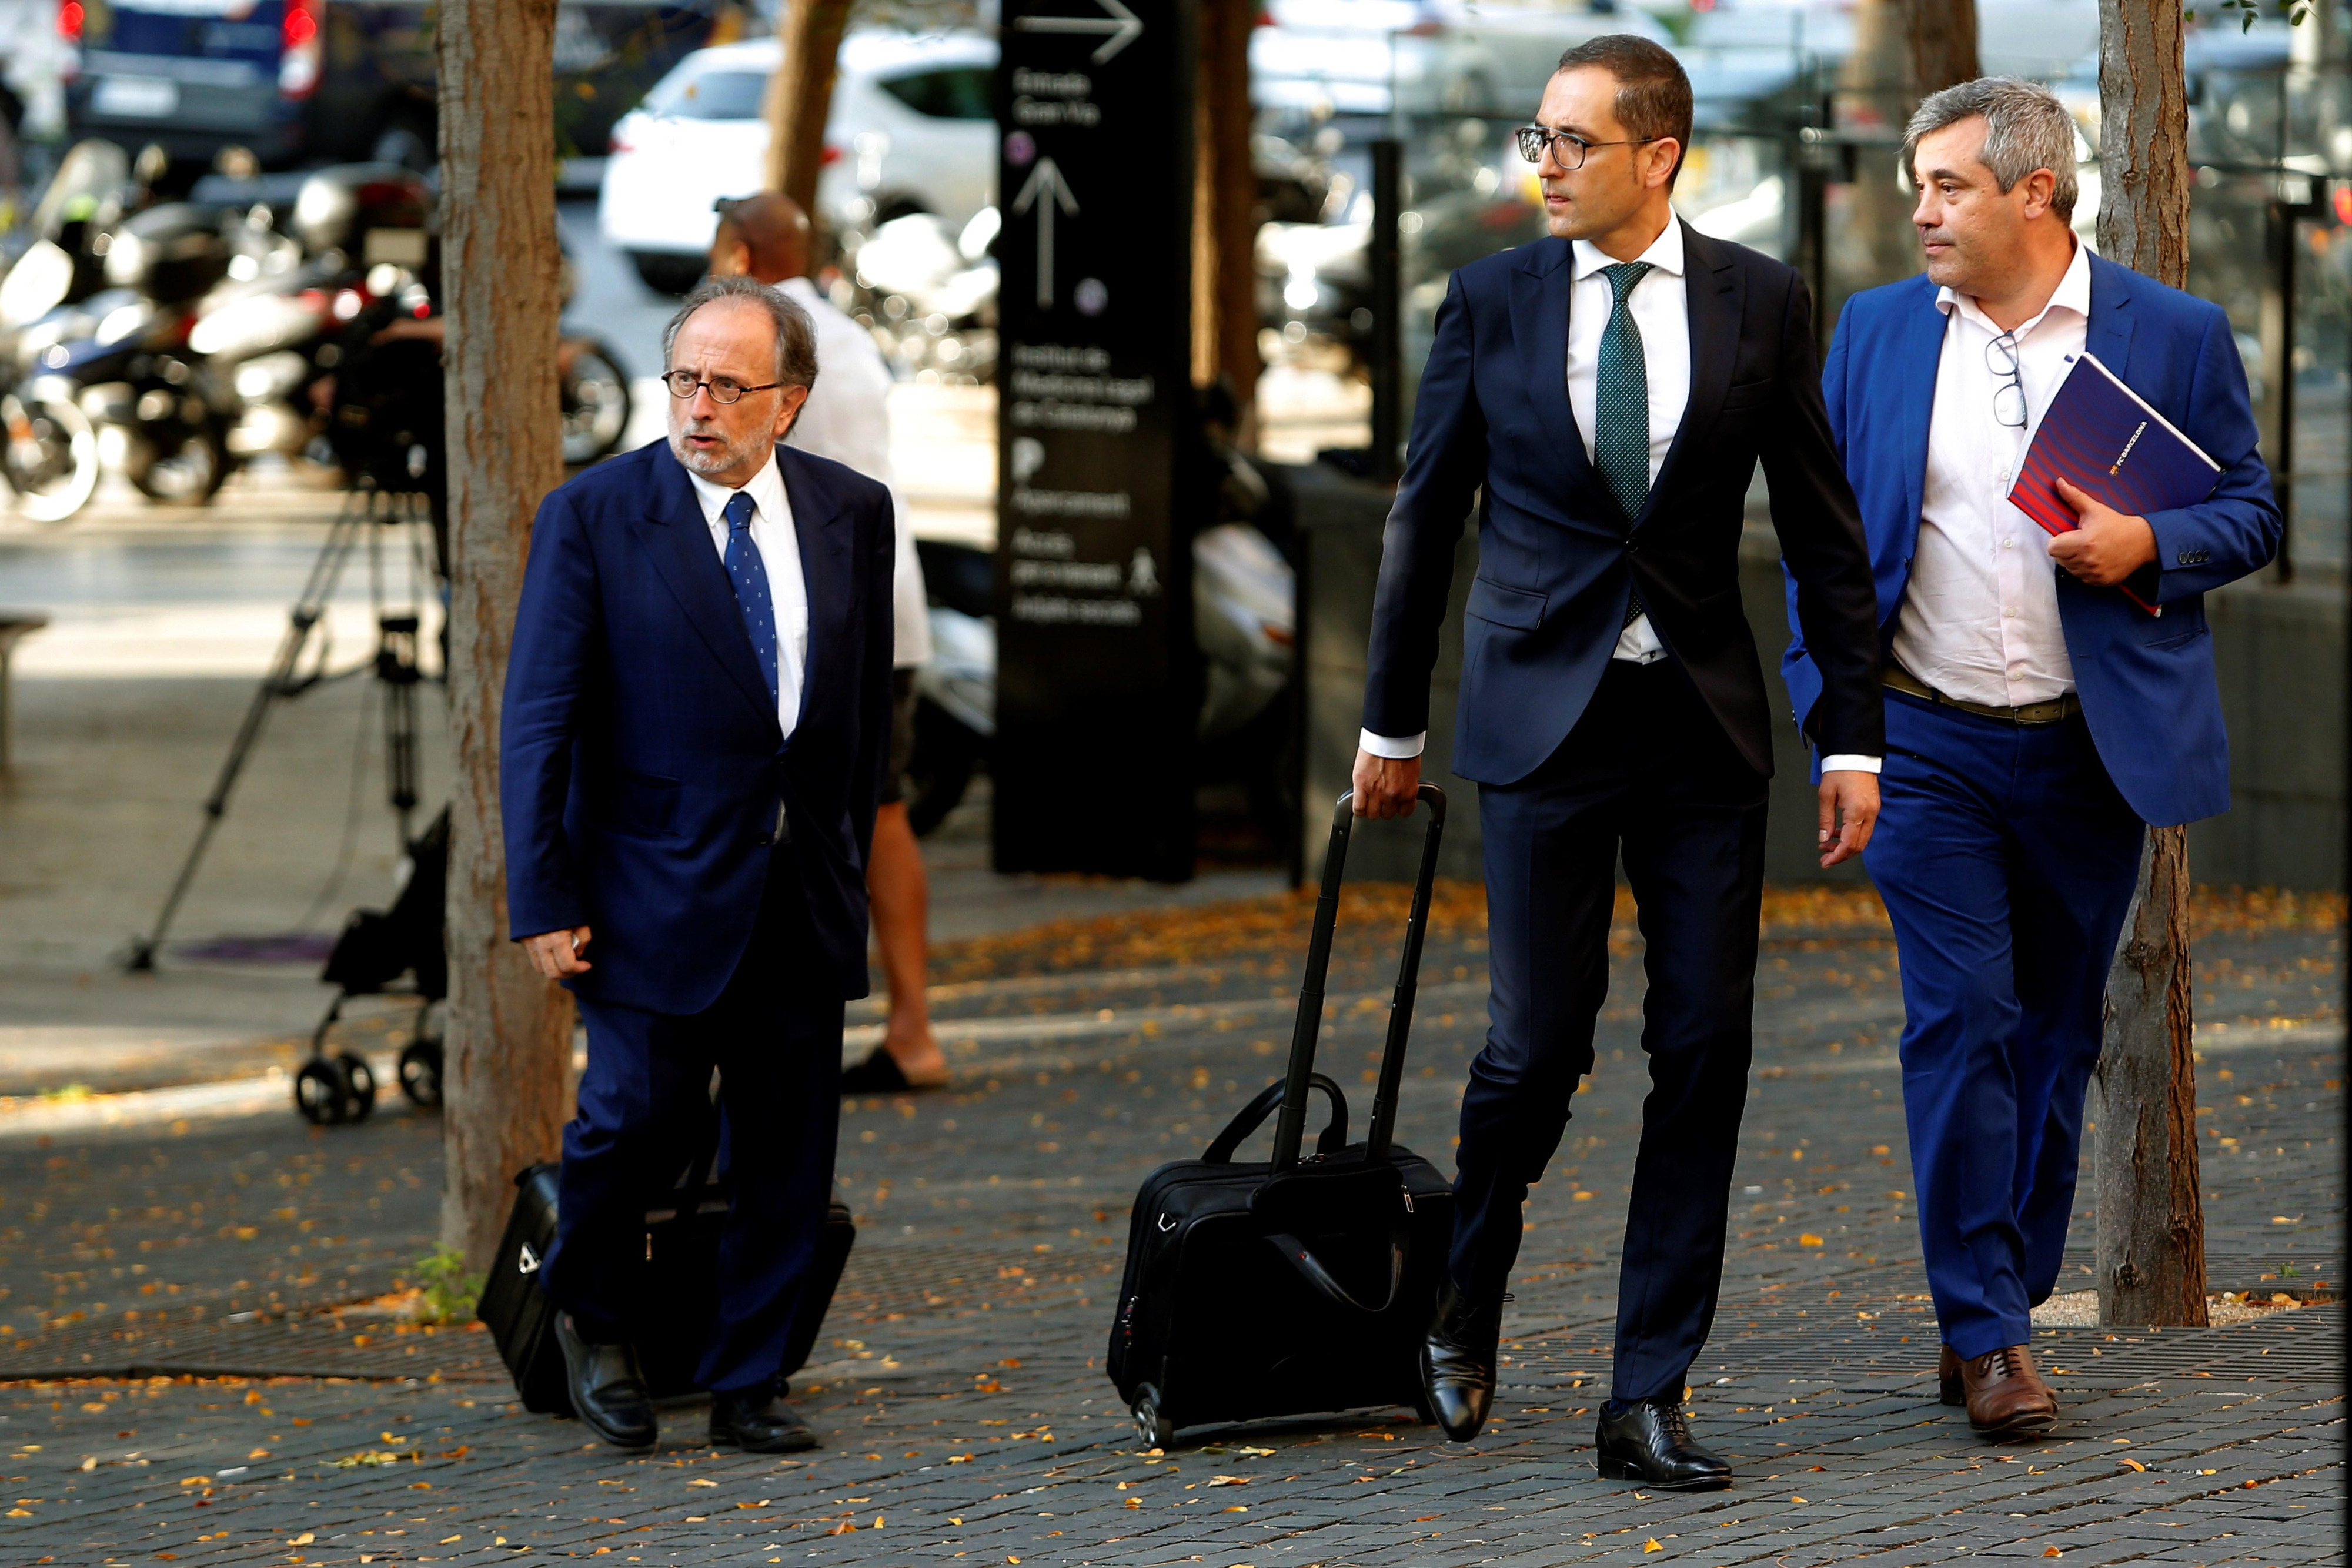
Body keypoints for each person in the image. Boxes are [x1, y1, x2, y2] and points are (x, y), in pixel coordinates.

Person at [1353, 35, 1884, 1489]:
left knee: (1702, 1048)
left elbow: (1825, 535)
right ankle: (1468, 1285)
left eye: (1571, 142)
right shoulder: (1489, 299)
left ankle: (1646, 1387)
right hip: (1538, 725)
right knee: (1535, 1048)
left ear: (1657, 155)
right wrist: (1388, 722)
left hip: (1700, 727)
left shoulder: (1761, 299)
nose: (1543, 165)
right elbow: (1420, 520)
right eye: (1537, 138)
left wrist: (1852, 735)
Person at [1783, 78, 2278, 1440]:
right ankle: (1991, 1332)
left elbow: (2249, 511)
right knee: (1959, 1019)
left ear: (2033, 193)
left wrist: (2148, 547)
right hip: (1920, 736)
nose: (1919, 211)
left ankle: (1999, 1285)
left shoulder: (2169, 335)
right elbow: (1825, 550)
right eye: (1914, 188)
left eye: (1945, 186)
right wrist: (1838, 726)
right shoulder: (1876, 333)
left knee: (2053, 1040)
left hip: (2086, 753)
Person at [501, 275, 896, 1453]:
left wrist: (843, 860)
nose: (699, 406)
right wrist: (544, 893)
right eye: (685, 378)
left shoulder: (852, 512)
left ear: (790, 400)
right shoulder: (596, 515)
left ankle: (749, 1376)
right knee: (633, 1116)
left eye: (729, 385)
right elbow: (539, 721)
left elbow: (859, 709)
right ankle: (591, 1313)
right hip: (641, 886)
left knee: (783, 1145)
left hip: (796, 889)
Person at [710, 192, 947, 1092]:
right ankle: (913, 1027)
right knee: (884, 816)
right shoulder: (843, 334)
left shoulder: (752, 341)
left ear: (738, 251)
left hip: (820, 613)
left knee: (796, 816)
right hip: (892, 606)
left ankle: (781, 1029)